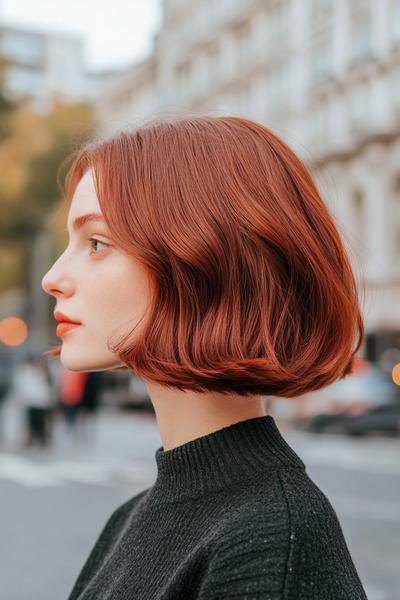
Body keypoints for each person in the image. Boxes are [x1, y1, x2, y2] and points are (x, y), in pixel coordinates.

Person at [41, 115, 368, 599]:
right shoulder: (134, 515)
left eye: (96, 243)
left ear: (202, 258)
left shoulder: (272, 540)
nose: (52, 276)